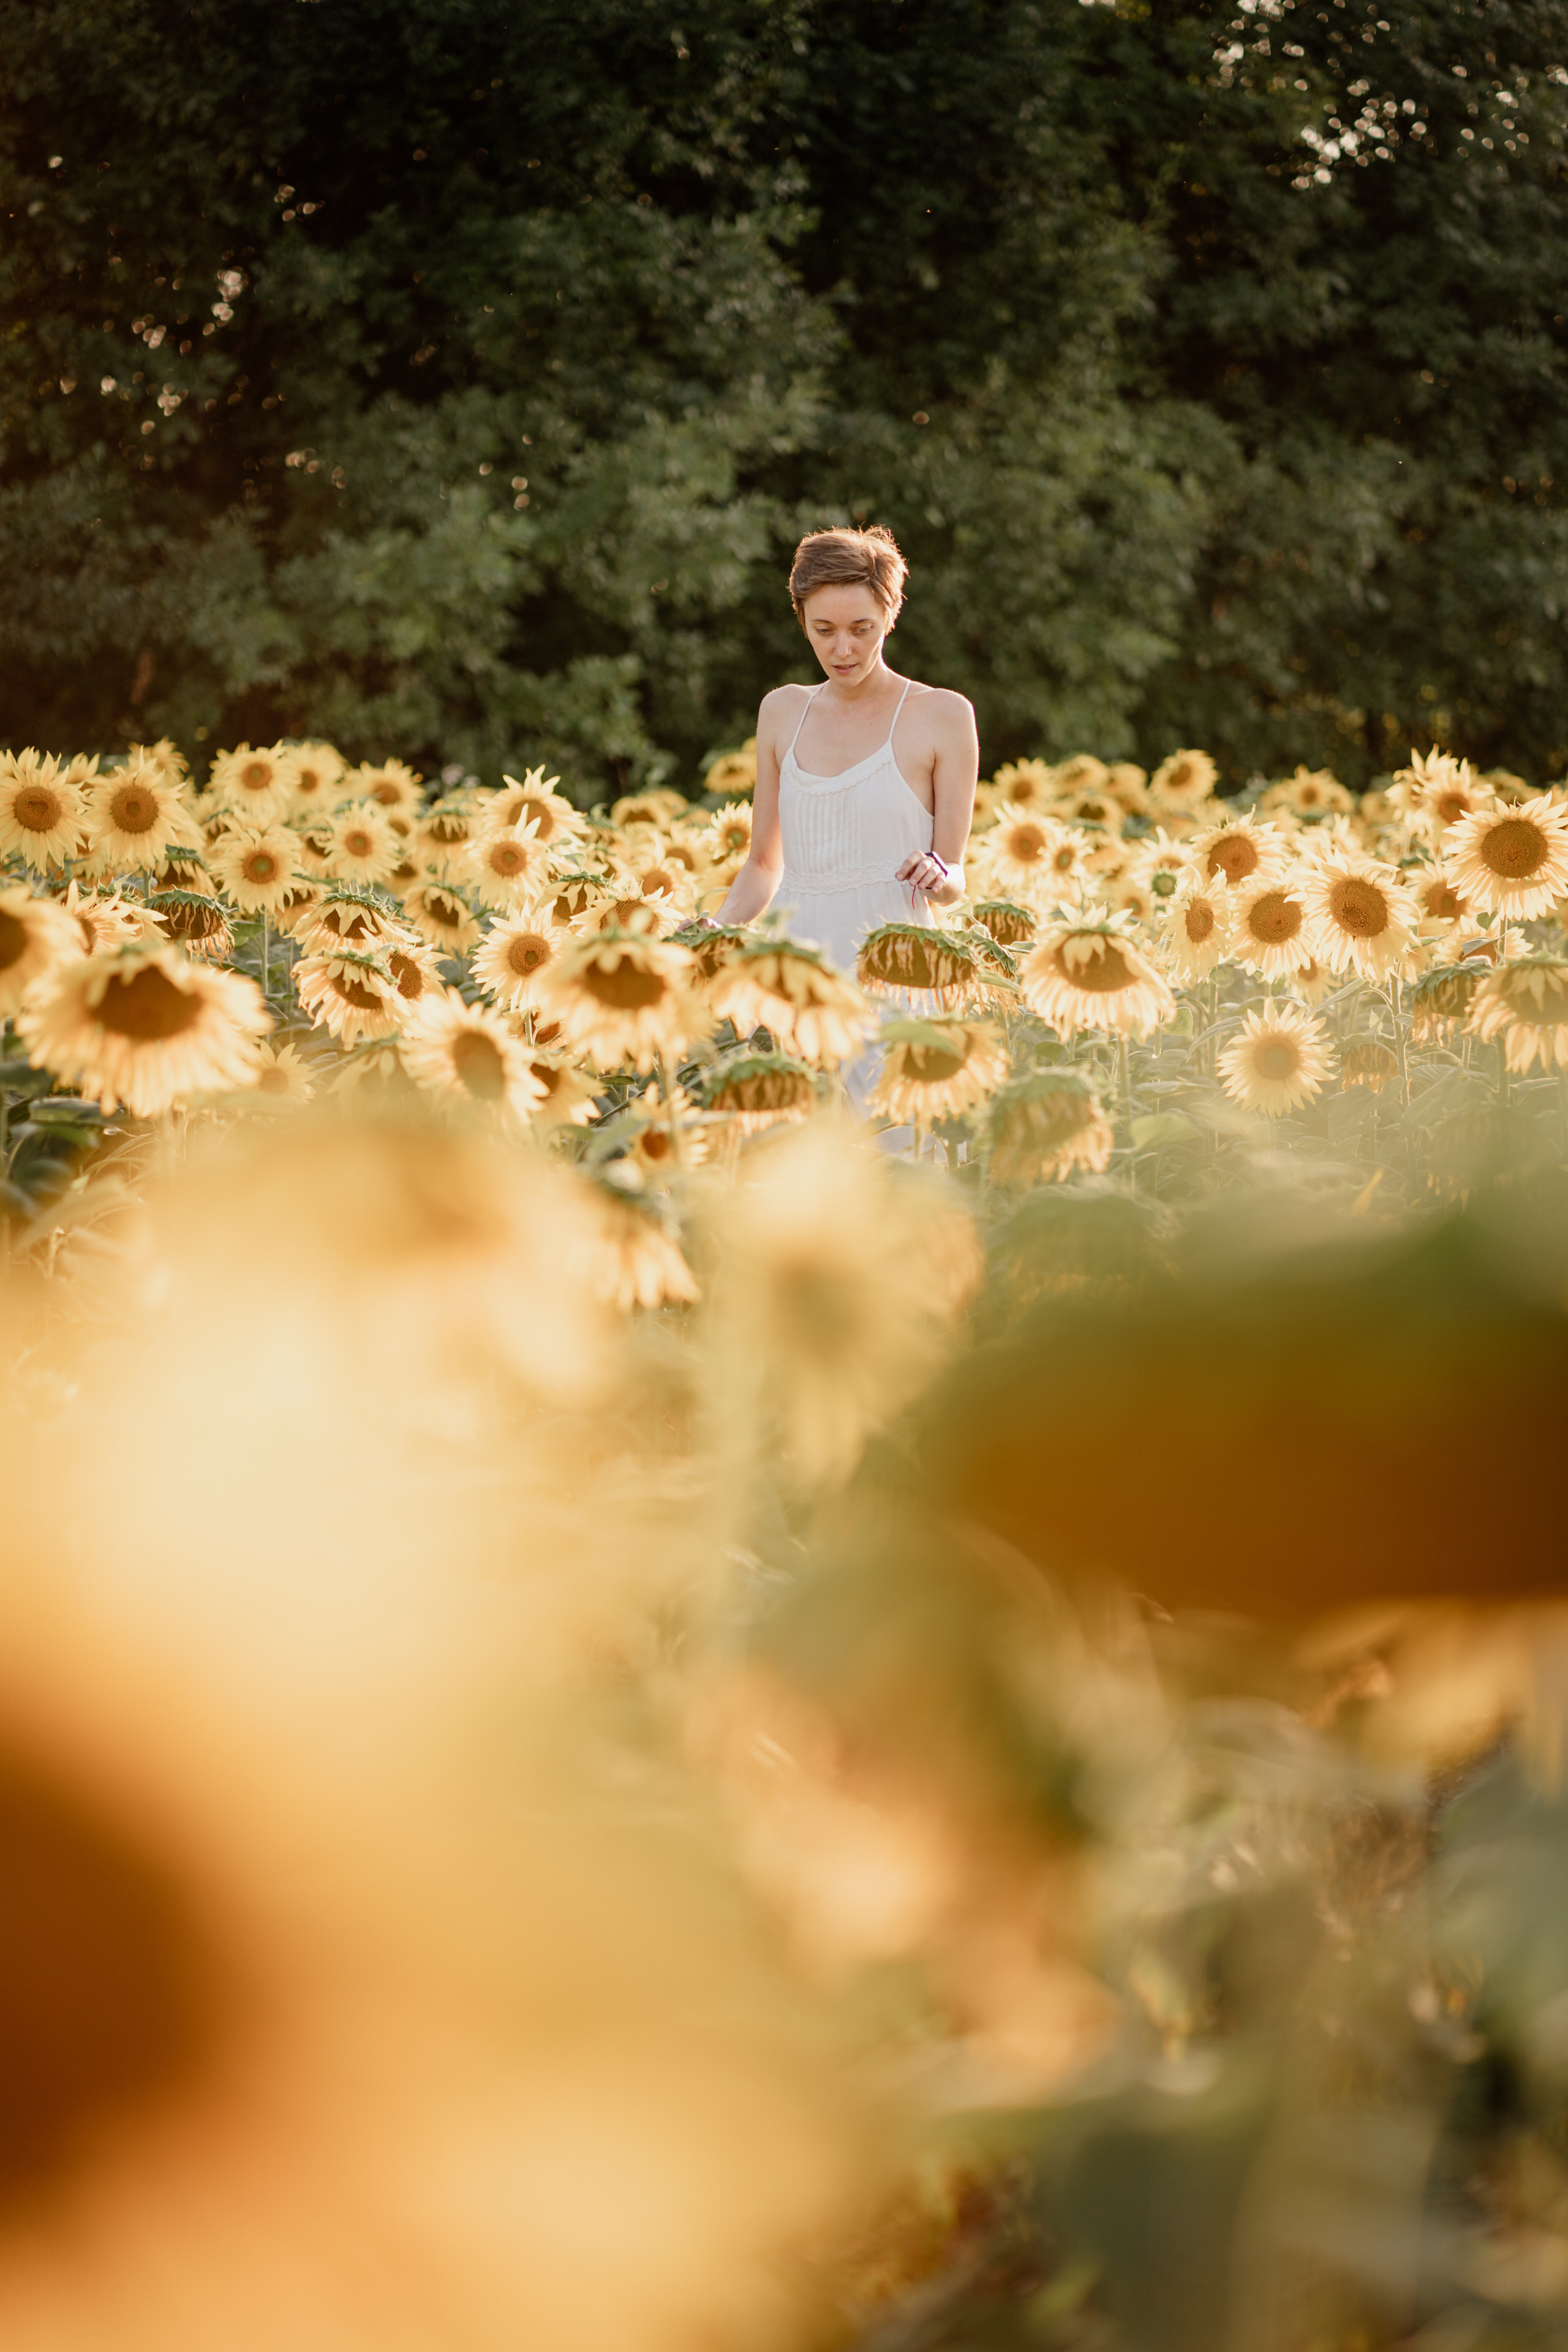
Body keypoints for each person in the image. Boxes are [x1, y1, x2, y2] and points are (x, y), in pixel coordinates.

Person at [717, 526, 979, 988]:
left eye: (861, 629)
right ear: (802, 620)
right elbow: (763, 865)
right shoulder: (781, 711)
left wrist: (939, 874)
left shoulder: (944, 715)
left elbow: (953, 877)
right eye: (824, 630)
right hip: (794, 975)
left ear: (890, 615)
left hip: (897, 973)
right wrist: (715, 929)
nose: (842, 650)